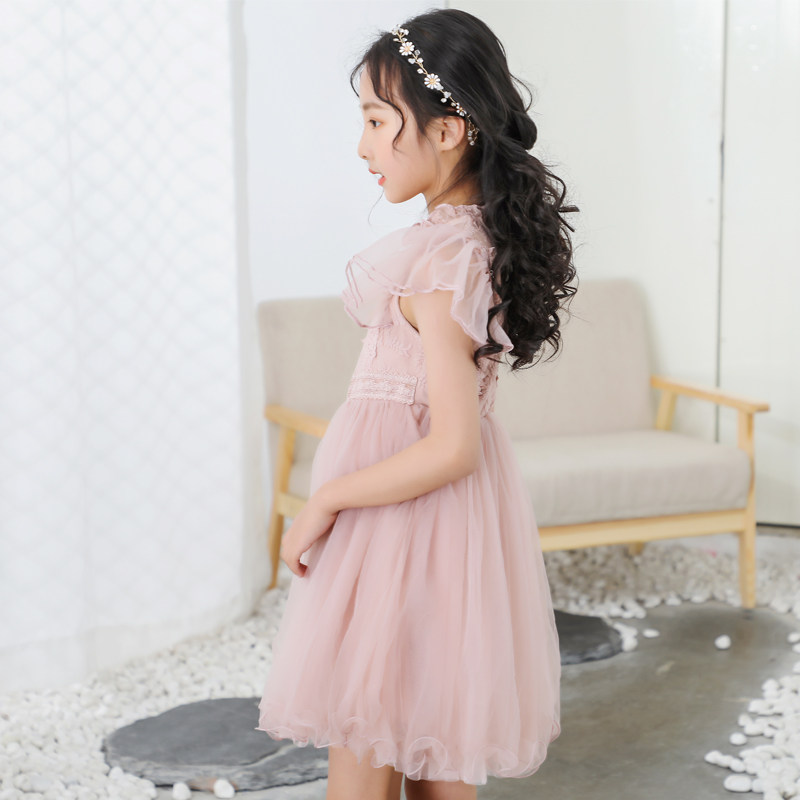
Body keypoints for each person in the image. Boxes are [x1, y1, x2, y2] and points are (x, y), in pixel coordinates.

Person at [256, 8, 579, 800]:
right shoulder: (464, 246)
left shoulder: (442, 260)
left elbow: (452, 445)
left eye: (376, 120)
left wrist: (325, 498)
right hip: (433, 530)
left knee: (371, 736)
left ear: (447, 130)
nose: (362, 146)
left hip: (404, 527)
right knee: (430, 731)